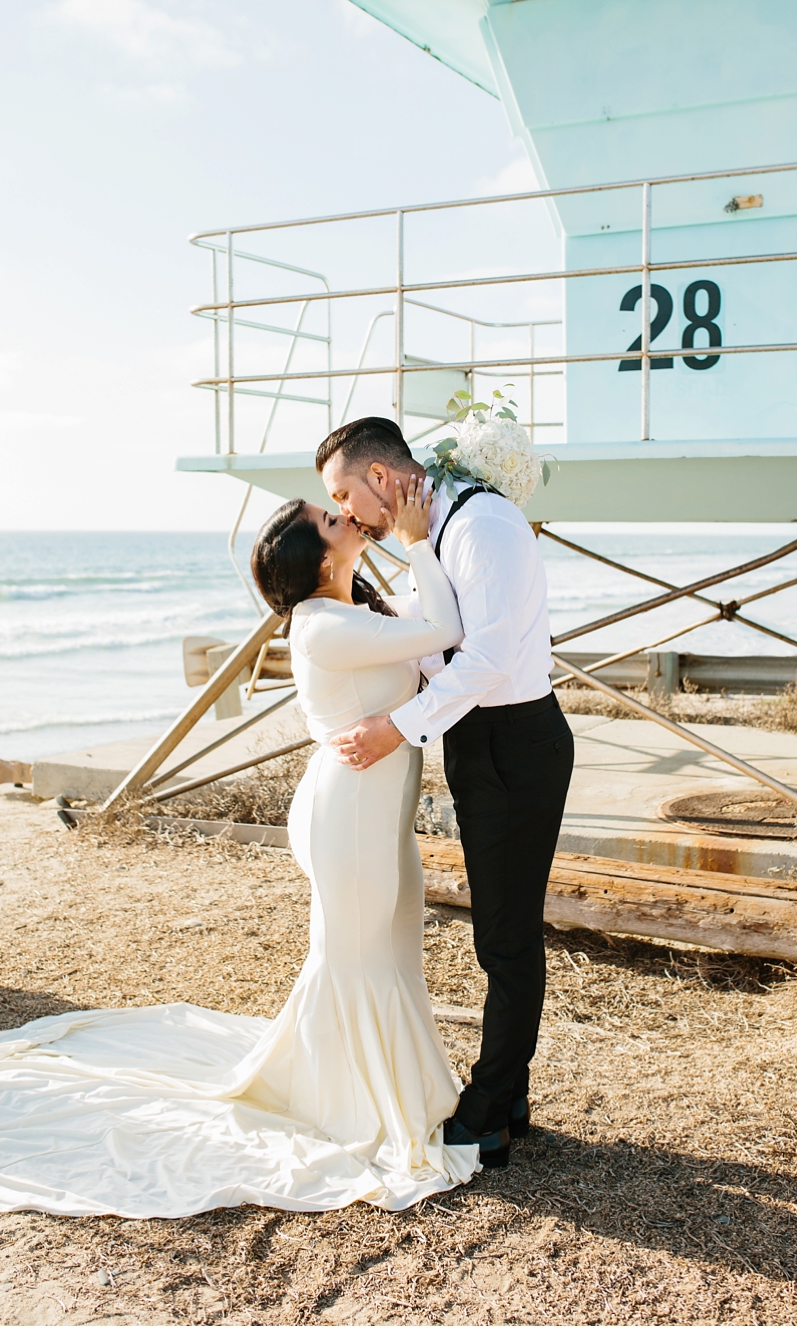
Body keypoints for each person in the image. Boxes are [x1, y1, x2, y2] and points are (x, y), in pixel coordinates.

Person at [0, 483, 483, 1215]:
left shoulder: (349, 611)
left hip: (375, 813)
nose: (345, 515)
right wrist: (417, 536)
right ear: (318, 559)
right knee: (354, 961)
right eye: (330, 517)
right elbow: (445, 625)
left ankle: (406, 1092)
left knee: (391, 951)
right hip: (349, 814)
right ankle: (358, 1112)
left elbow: (430, 639)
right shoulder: (322, 625)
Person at [320, 417, 571, 1170]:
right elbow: (440, 632)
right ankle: (511, 1093)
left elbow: (488, 658)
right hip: (480, 740)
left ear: (383, 479)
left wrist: (397, 726)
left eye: (343, 494)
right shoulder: (434, 526)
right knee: (499, 927)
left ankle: (490, 1108)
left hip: (515, 741)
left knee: (506, 933)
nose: (346, 512)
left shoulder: (483, 524)